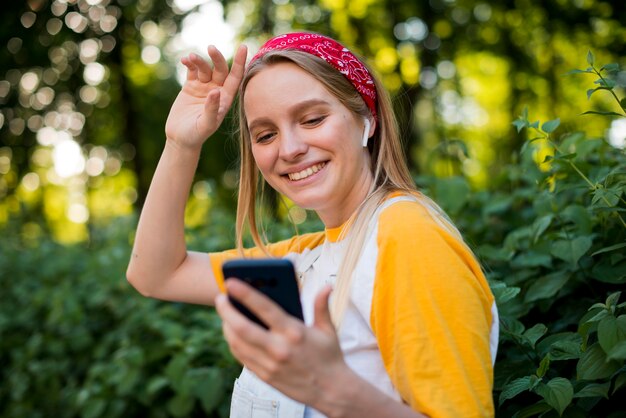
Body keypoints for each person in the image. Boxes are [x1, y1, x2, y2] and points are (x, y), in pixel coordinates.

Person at [126, 32, 499, 418]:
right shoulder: (307, 255)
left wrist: (334, 390)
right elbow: (156, 274)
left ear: (366, 119)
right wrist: (181, 143)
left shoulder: (406, 235)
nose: (289, 149)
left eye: (312, 119)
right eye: (266, 134)